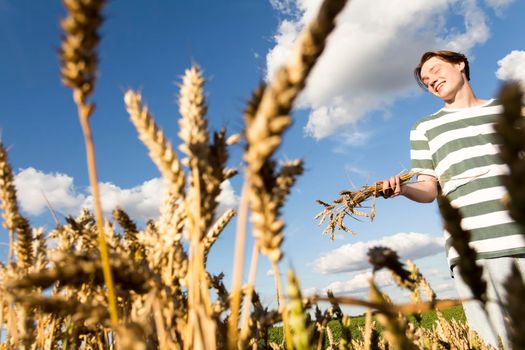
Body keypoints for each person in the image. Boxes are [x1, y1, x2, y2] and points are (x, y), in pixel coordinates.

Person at [379, 50, 525, 349]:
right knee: (499, 342)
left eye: (435, 70)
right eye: (425, 79)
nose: (430, 80)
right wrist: (404, 189)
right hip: (476, 248)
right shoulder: (425, 128)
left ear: (460, 64)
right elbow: (428, 188)